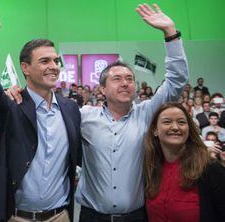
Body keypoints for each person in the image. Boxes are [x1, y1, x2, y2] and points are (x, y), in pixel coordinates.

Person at [75, 4, 188, 221]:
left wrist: (170, 33)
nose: (125, 83)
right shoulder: (84, 116)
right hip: (92, 216)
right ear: (102, 89)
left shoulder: (147, 114)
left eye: (130, 79)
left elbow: (176, 81)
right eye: (116, 79)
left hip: (136, 216)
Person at [0, 4, 81, 221]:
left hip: (60, 216)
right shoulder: (11, 106)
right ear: (25, 68)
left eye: (55, 60)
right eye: (44, 61)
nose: (53, 66)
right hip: (18, 217)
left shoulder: (70, 109)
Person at [144, 102, 225, 221]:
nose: (175, 127)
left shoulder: (209, 167)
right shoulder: (150, 168)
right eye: (167, 122)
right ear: (155, 130)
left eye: (181, 122)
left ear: (189, 129)